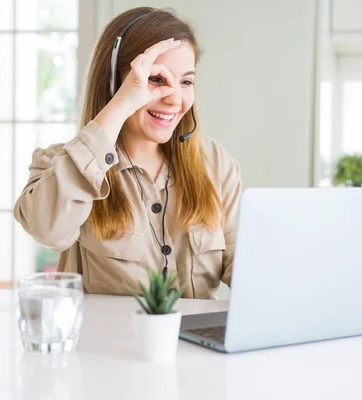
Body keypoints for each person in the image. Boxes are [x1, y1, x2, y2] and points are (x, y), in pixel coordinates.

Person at [14, 7, 242, 299]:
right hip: (109, 344)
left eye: (186, 81)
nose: (174, 98)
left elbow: (245, 270)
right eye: (156, 79)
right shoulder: (62, 164)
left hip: (197, 346)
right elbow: (48, 230)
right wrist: (118, 108)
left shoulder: (216, 164)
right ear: (113, 83)